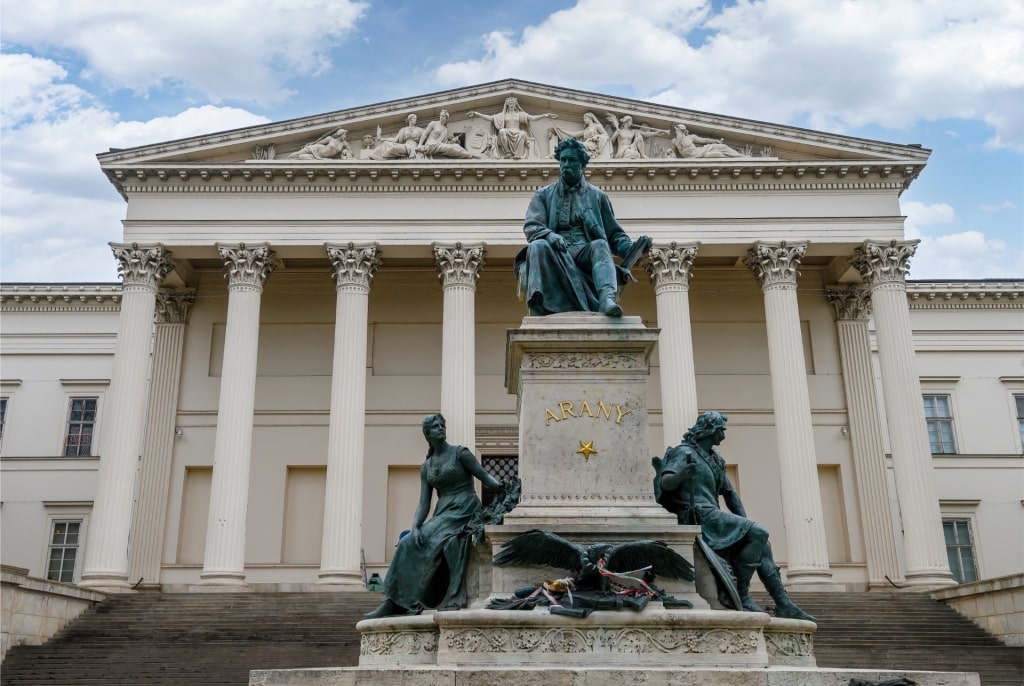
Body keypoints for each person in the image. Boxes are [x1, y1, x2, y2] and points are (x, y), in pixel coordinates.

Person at [652, 411, 816, 622]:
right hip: (697, 515)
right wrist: (683, 474)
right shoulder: (683, 453)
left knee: (761, 540)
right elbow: (665, 484)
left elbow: (730, 495)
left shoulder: (715, 459)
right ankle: (741, 594)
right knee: (759, 533)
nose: (724, 436)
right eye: (721, 430)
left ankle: (783, 603)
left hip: (713, 516)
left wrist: (746, 527)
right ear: (710, 430)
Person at [364, 414, 505, 618]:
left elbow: (484, 476)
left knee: (429, 541)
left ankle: (401, 602)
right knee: (408, 543)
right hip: (444, 511)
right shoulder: (427, 466)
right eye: (436, 426)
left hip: (465, 509)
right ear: (427, 434)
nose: (441, 428)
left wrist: (501, 486)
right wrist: (415, 526)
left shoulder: (461, 454)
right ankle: (395, 601)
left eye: (442, 425)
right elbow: (423, 502)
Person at [515, 137, 649, 317]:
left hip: (585, 252)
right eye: (563, 160)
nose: (566, 164)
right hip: (556, 253)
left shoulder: (597, 196)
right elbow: (532, 226)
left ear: (582, 164)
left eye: (572, 160)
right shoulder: (543, 195)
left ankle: (607, 299)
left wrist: (634, 250)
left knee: (600, 244)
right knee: (537, 246)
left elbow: (614, 235)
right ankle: (541, 302)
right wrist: (550, 236)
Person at [467, 97, 557, 159]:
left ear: (515, 105)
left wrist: (545, 115)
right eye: (510, 103)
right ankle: (508, 153)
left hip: (517, 132)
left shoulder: (520, 115)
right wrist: (477, 114)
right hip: (506, 132)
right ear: (507, 105)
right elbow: (490, 118)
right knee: (502, 131)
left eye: (513, 103)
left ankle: (517, 154)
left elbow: (532, 118)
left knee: (523, 133)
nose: (511, 105)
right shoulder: (502, 116)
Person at [417, 110, 484, 159]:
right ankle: (471, 156)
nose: (441, 117)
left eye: (443, 116)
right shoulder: (433, 123)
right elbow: (425, 134)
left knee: (457, 146)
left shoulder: (445, 129)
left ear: (446, 118)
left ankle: (468, 154)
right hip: (431, 145)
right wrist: (420, 144)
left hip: (439, 146)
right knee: (448, 148)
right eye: (441, 115)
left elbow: (445, 142)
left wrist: (453, 141)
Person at [669, 124, 743, 158]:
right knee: (716, 153)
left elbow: (704, 140)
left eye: (677, 130)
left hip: (700, 151)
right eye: (676, 130)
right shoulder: (674, 141)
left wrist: (715, 141)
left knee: (722, 147)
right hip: (693, 156)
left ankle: (739, 156)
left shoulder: (691, 137)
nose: (676, 132)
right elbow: (673, 153)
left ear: (682, 131)